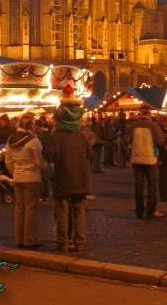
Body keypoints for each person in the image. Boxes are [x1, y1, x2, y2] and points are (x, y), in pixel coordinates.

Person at [50, 86, 91, 252]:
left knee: (62, 211)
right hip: (80, 178)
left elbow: (51, 157)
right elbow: (89, 155)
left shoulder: (56, 136)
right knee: (79, 211)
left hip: (62, 178)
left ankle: (63, 242)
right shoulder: (82, 135)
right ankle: (80, 242)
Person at [5, 114, 46, 249]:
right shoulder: (34, 141)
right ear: (30, 126)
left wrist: (15, 172)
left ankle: (19, 239)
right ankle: (30, 240)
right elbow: (40, 162)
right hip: (32, 177)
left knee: (19, 209)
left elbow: (8, 160)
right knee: (30, 210)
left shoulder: (11, 140)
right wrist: (45, 169)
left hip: (18, 177)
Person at [127, 105, 165, 219]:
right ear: (149, 114)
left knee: (138, 186)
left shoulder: (133, 126)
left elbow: (127, 140)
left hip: (136, 159)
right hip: (150, 159)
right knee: (151, 186)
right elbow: (160, 142)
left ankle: (139, 211)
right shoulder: (154, 126)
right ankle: (150, 211)